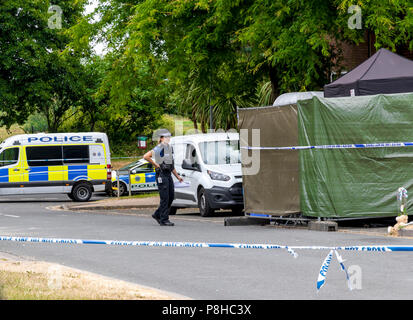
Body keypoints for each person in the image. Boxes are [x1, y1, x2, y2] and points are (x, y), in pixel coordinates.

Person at [144, 129, 183, 226]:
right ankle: (164, 219)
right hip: (161, 175)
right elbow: (146, 156)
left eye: (169, 137)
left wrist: (177, 177)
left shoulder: (169, 148)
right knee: (165, 198)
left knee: (171, 197)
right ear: (161, 139)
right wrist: (155, 164)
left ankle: (157, 214)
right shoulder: (159, 148)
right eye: (166, 137)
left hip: (168, 174)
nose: (168, 139)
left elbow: (171, 165)